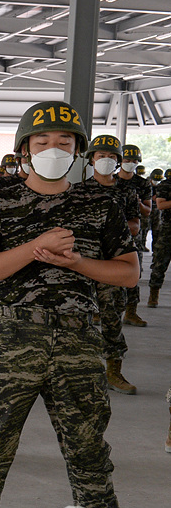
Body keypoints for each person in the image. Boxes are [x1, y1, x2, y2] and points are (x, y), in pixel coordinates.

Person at [0, 101, 151, 508]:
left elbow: (128, 272)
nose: (54, 150)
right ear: (24, 151)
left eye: (64, 143)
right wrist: (33, 249)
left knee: (88, 444)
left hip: (78, 338)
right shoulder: (0, 202)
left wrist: (76, 263)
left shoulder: (99, 205)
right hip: (13, 336)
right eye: (42, 143)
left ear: (79, 151)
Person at [79, 135, 140, 394]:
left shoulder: (126, 192)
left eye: (112, 156)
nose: (106, 160)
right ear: (91, 159)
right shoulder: (79, 190)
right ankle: (77, 372)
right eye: (101, 155)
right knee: (77, 319)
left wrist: (106, 231)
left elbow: (135, 227)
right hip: (82, 264)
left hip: (112, 264)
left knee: (112, 318)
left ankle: (113, 372)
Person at [117, 144, 150, 326]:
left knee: (133, 274)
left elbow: (147, 211)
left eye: (133, 161)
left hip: (133, 235)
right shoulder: (111, 180)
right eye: (126, 160)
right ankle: (100, 310)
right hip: (111, 234)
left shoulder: (142, 183)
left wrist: (136, 203)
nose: (130, 163)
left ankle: (131, 311)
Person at [149, 170, 171, 307]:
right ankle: (153, 294)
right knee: (160, 263)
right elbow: (161, 204)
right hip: (168, 230)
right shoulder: (166, 185)